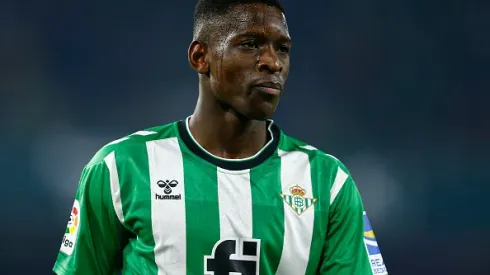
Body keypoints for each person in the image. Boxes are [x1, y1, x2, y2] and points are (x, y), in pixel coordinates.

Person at [53, 0, 388, 274]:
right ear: (201, 57)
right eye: (251, 44)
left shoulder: (327, 183)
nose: (272, 62)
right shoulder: (121, 168)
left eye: (282, 49)